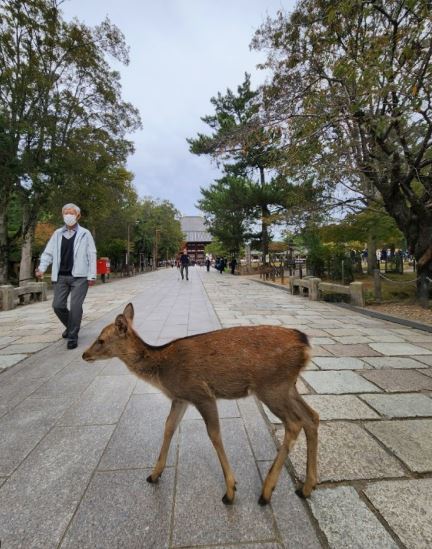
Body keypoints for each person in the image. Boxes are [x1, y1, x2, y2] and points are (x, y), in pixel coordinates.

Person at [35, 203, 96, 349]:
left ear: (78, 216)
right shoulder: (57, 233)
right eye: (66, 213)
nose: (68, 215)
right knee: (57, 305)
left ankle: (73, 335)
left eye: (72, 213)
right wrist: (42, 268)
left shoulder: (85, 233)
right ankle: (71, 326)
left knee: (75, 307)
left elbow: (91, 254)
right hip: (60, 276)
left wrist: (92, 275)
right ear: (63, 215)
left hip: (79, 277)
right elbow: (48, 253)